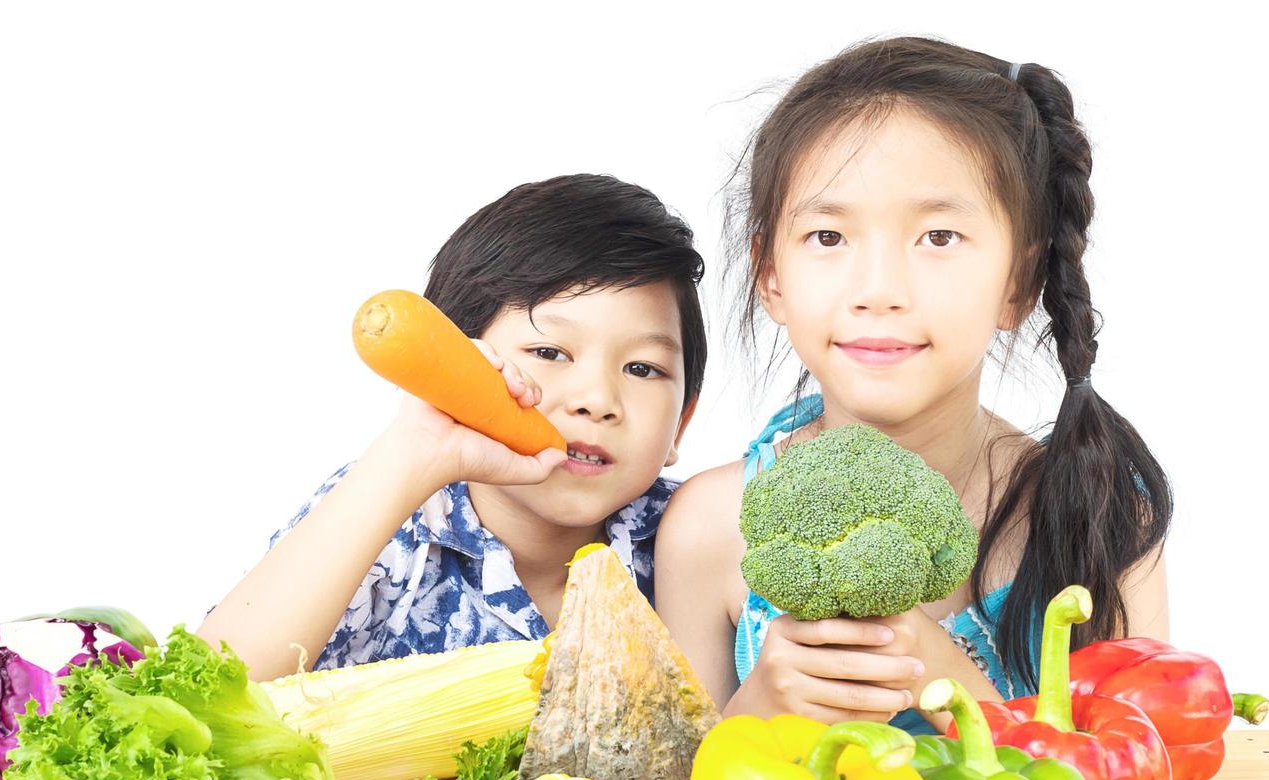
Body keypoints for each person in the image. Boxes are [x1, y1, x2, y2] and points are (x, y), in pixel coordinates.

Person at [656, 37, 1171, 735]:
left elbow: (1145, 777)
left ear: (1019, 282)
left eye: (937, 237)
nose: (879, 291)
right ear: (769, 276)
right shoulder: (709, 529)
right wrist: (758, 711)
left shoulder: (1103, 512)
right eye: (829, 238)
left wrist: (951, 678)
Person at [200, 173, 707, 679]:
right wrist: (412, 451)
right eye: (549, 352)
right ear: (461, 368)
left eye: (642, 369)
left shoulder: (700, 537)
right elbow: (214, 685)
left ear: (681, 424)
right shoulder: (389, 509)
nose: (598, 401)